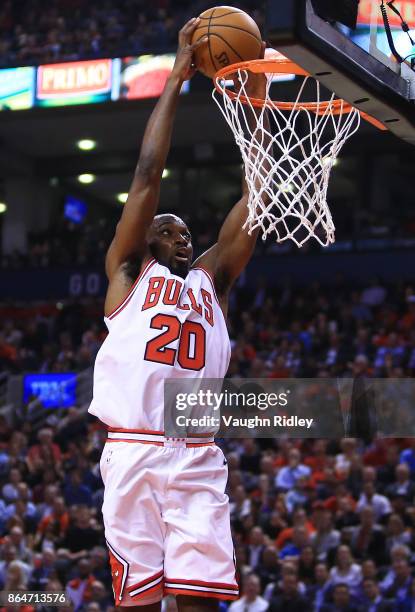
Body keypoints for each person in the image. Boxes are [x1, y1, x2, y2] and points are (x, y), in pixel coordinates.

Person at [88, 16, 268, 612]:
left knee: (200, 604)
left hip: (195, 452)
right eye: (168, 227)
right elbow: (146, 177)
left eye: (188, 230)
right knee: (137, 605)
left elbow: (254, 203)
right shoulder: (129, 274)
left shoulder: (210, 283)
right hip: (134, 448)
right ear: (147, 240)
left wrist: (259, 110)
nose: (181, 234)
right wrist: (175, 78)